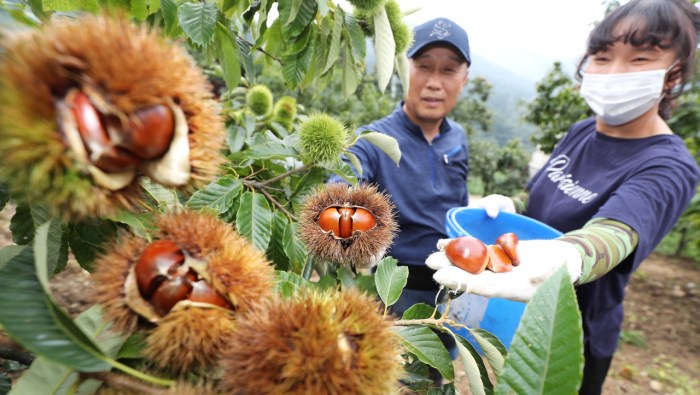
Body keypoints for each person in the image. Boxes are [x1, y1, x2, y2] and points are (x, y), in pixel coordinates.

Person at [427, 1, 700, 394]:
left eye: (640, 58)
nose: (615, 72)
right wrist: (511, 205)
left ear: (674, 73)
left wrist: (570, 256)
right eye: (603, 57)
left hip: (570, 335)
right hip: (512, 314)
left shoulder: (669, 166)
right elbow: (542, 196)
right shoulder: (582, 131)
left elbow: (615, 233)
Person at [328, 17, 472, 383]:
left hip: (449, 288)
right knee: (389, 377)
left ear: (464, 78)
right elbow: (342, 186)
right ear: (403, 70)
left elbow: (459, 206)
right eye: (423, 67)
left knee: (436, 374)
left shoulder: (458, 139)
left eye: (448, 70)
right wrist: (347, 224)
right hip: (394, 288)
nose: (434, 82)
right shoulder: (374, 138)